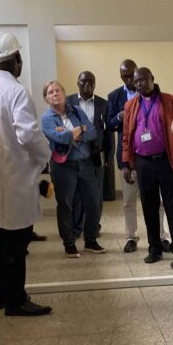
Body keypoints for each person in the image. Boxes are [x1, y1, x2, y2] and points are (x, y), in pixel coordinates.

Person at [0, 32, 52, 316]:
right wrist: (45, 159)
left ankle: (0, 294)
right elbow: (29, 134)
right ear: (17, 58)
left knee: (2, 238)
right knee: (18, 241)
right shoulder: (16, 92)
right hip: (17, 175)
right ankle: (16, 300)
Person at [108, 59, 170, 254]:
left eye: (131, 76)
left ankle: (162, 237)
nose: (128, 80)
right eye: (124, 77)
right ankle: (131, 237)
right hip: (129, 157)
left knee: (156, 202)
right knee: (128, 201)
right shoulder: (115, 96)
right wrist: (119, 117)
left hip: (154, 159)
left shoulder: (157, 97)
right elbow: (110, 125)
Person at [122, 67, 173, 266]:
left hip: (165, 161)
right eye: (136, 81)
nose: (139, 84)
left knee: (172, 206)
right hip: (143, 162)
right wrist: (127, 164)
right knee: (149, 207)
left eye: (143, 80)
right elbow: (126, 137)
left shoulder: (170, 101)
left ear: (152, 79)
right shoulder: (130, 105)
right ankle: (154, 249)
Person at [41, 80, 105, 257]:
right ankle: (69, 243)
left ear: (64, 92)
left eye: (58, 90)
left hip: (84, 164)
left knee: (93, 202)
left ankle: (91, 240)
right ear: (46, 98)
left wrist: (72, 134)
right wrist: (77, 131)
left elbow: (92, 132)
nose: (55, 94)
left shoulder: (76, 110)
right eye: (50, 92)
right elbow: (58, 138)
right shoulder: (46, 118)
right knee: (66, 205)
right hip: (63, 167)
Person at [67, 71, 111, 241]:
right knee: (77, 193)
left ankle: (94, 226)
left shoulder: (103, 104)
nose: (88, 85)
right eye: (84, 81)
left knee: (95, 195)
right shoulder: (68, 102)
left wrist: (108, 157)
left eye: (91, 82)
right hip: (75, 154)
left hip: (95, 155)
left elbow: (107, 134)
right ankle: (77, 227)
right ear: (78, 83)